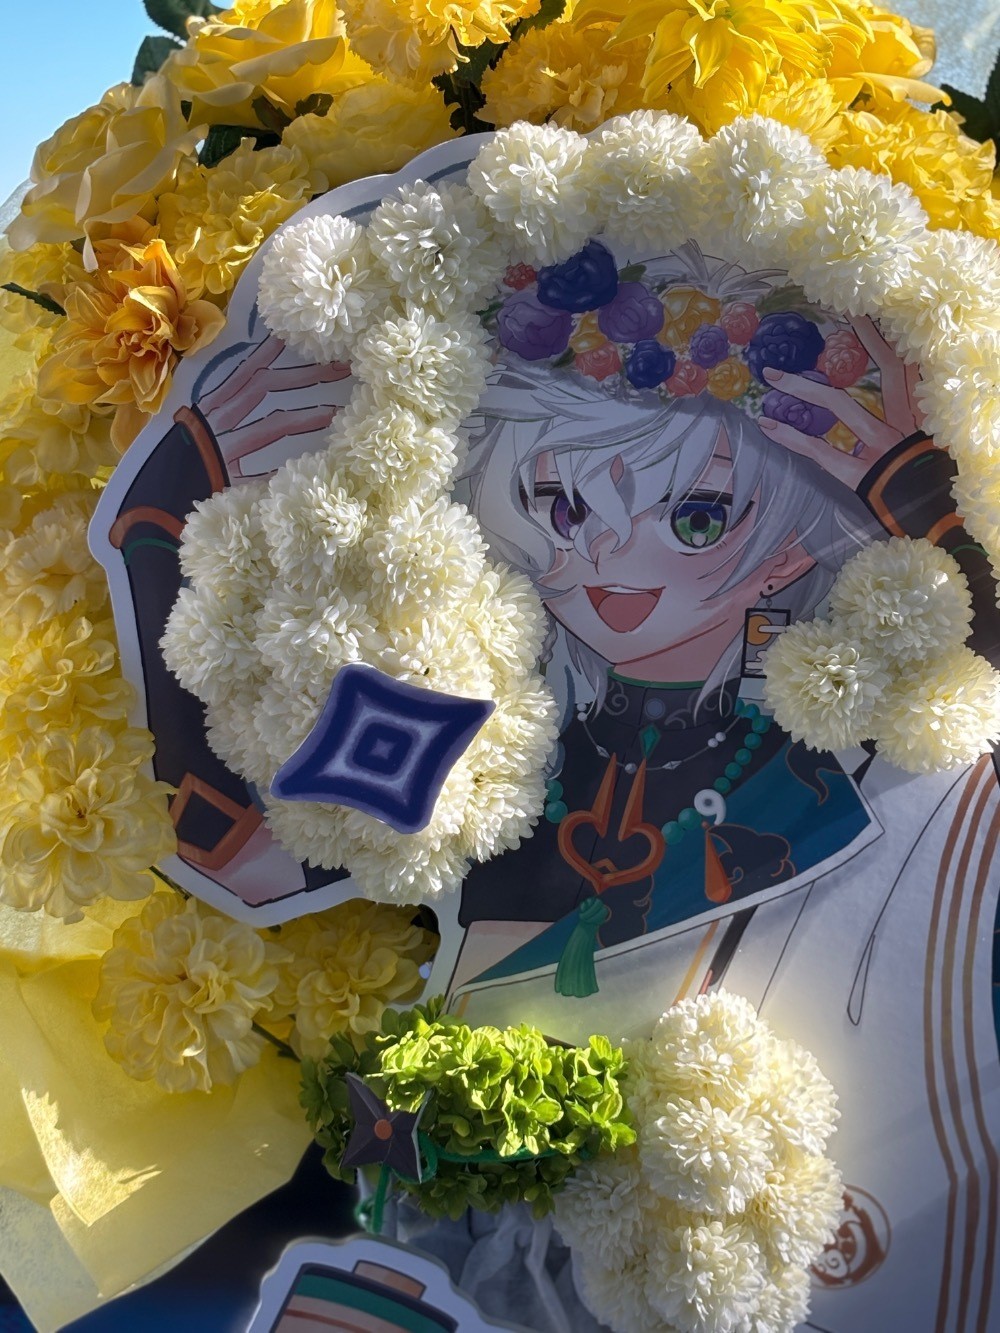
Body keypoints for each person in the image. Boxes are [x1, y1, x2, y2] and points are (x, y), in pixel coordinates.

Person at [430, 243, 1000, 1333]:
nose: (611, 557)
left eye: (693, 518)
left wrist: (935, 510)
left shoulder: (847, 733)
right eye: (560, 506)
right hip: (500, 1222)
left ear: (789, 547)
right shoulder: (516, 732)